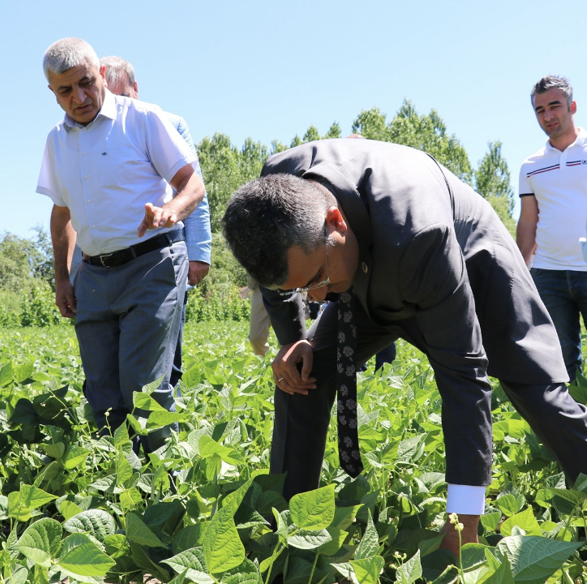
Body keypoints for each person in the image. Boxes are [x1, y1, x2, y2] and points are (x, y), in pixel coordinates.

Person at [221, 138, 587, 556]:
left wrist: (460, 521)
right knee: (302, 375)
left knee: (540, 396)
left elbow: (464, 378)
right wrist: (294, 340)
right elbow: (289, 279)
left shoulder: (420, 231)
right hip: (360, 274)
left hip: (468, 264)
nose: (316, 299)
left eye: (315, 280)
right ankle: (287, 524)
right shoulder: (274, 195)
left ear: (336, 223)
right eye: (301, 289)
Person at [36, 38, 205, 451]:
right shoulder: (57, 141)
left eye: (86, 83)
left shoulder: (143, 119)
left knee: (144, 387)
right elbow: (61, 215)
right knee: (102, 392)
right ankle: (116, 483)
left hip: (151, 265)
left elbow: (192, 184)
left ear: (102, 76)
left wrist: (171, 212)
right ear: (52, 93)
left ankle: (164, 487)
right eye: (65, 90)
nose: (79, 97)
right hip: (93, 275)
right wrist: (62, 278)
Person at [100, 55, 212, 389]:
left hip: (162, 255)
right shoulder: (92, 134)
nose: (119, 106)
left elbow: (193, 188)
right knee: (112, 355)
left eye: (124, 97)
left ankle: (161, 425)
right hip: (107, 262)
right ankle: (120, 432)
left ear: (136, 89)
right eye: (111, 99)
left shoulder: (168, 122)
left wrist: (199, 251)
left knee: (165, 351)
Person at [516, 75, 587, 381]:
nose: (548, 115)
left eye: (554, 106)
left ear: (572, 106)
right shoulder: (530, 166)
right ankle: (572, 424)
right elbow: (528, 221)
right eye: (540, 110)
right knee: (560, 358)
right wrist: (519, 272)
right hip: (548, 275)